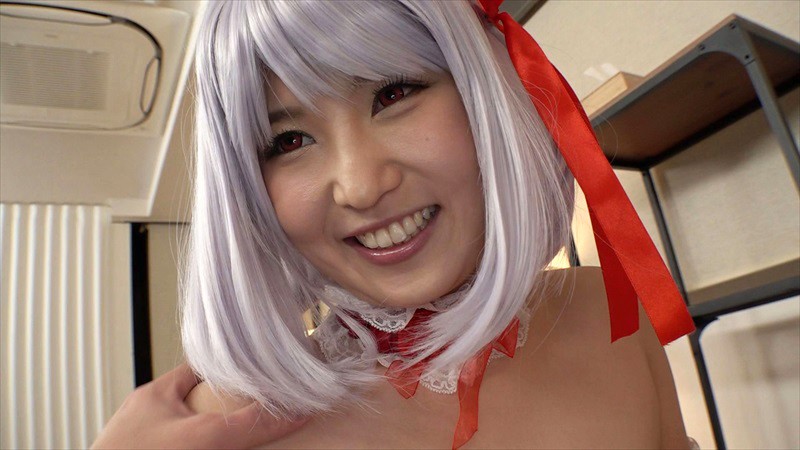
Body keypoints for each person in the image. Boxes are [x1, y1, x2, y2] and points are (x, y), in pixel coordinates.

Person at [103, 0, 698, 448]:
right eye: (289, 141)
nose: (361, 185)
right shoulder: (227, 426)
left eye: (393, 94)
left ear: (483, 95)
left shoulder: (614, 313)